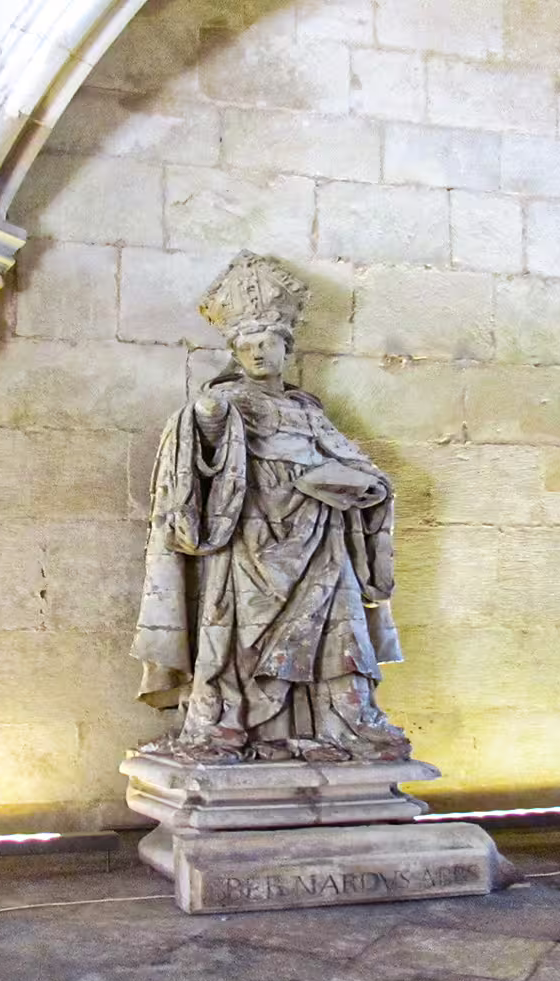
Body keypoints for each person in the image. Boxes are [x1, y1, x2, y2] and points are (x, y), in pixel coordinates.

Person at [132, 252, 410, 764]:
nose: (259, 352)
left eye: (269, 343)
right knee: (237, 636)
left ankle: (345, 721)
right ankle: (225, 724)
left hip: (320, 537)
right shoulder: (226, 401)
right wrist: (208, 422)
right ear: (236, 352)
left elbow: (358, 464)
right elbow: (205, 450)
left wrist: (365, 488)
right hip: (245, 538)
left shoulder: (307, 410)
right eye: (248, 344)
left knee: (341, 627)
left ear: (286, 348)